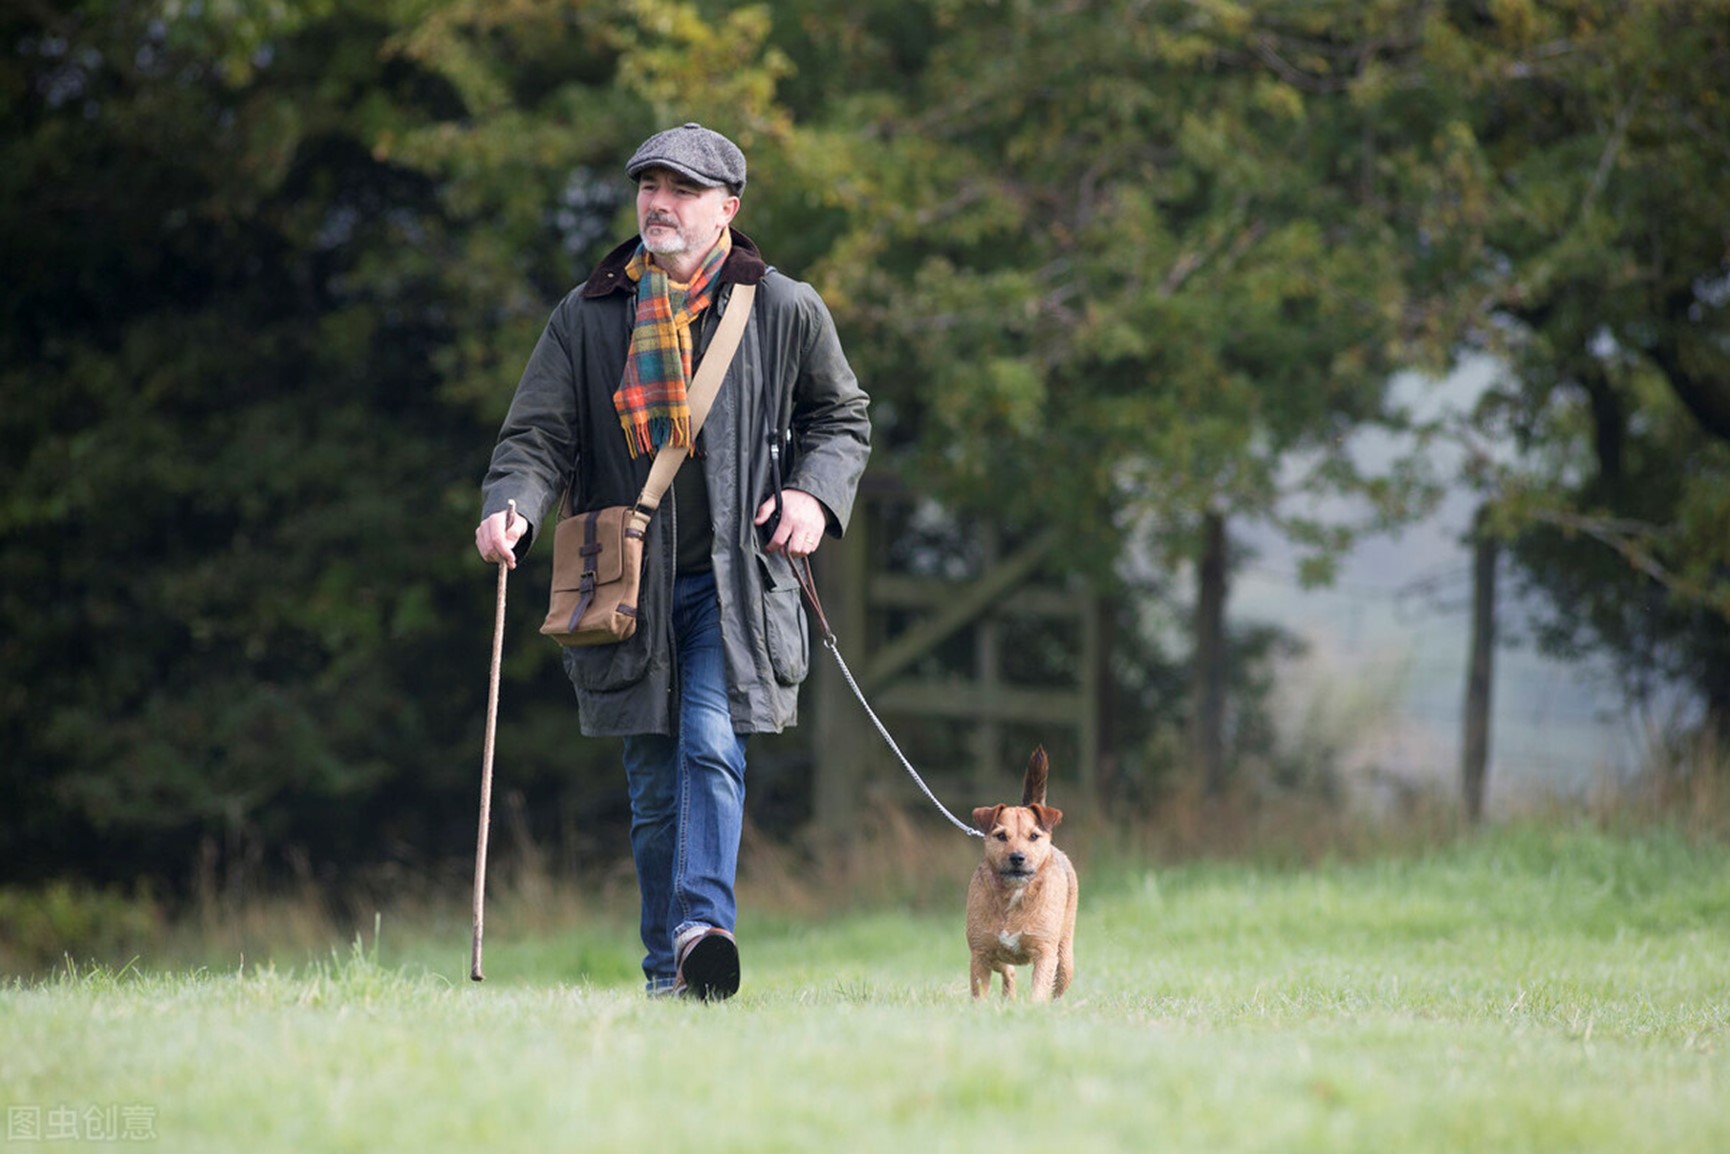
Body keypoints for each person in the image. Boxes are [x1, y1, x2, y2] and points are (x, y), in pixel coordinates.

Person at [474, 123, 871, 1000]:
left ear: (728, 208)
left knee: (708, 745)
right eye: (649, 185)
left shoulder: (784, 308)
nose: (660, 202)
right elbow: (536, 437)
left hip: (735, 587)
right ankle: (670, 973)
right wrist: (512, 510)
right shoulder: (586, 316)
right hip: (624, 587)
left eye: (682, 190)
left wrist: (811, 496)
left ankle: (700, 928)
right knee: (654, 787)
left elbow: (842, 418)